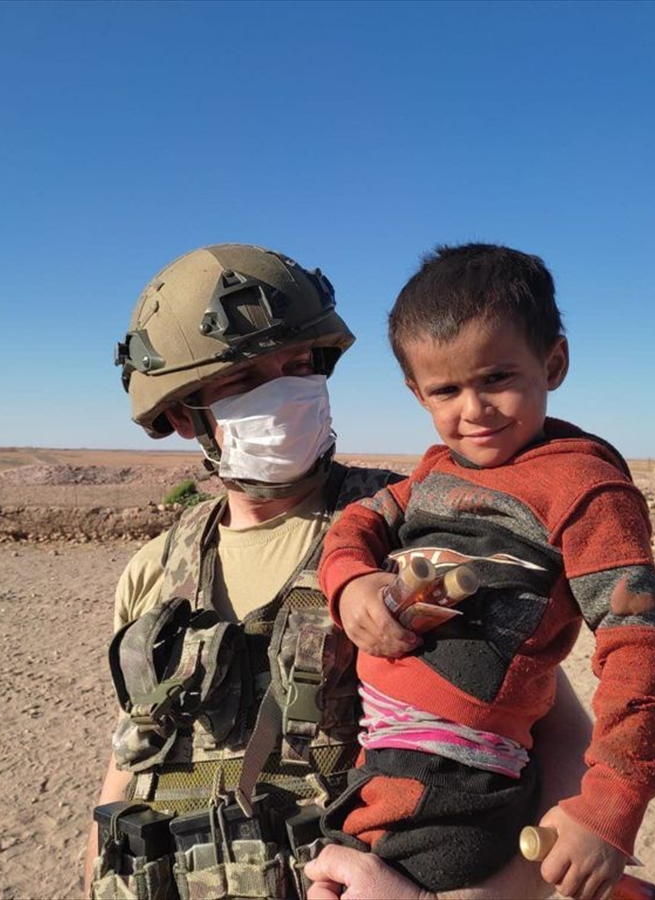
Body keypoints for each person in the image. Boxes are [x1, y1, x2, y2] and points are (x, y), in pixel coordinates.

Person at [83, 242, 593, 900]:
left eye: (298, 365)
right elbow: (132, 757)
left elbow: (557, 737)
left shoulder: (414, 530)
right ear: (185, 413)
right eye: (244, 380)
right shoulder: (153, 570)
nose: (285, 392)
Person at [316, 243, 655, 900]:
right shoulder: (435, 473)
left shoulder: (586, 491)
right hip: (386, 748)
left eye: (497, 378)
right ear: (416, 392)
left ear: (553, 363)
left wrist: (609, 807)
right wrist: (351, 582)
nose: (474, 409)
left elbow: (638, 656)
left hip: (462, 769)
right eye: (446, 390)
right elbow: (358, 521)